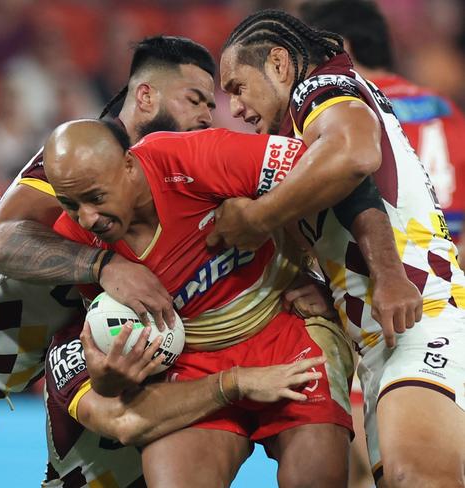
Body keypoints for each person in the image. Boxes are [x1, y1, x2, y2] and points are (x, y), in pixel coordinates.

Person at [0, 35, 284, 488]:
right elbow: (0, 242)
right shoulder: (80, 157)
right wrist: (105, 267)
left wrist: (287, 278)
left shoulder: (175, 185)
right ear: (146, 96)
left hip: (20, 374)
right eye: (195, 99)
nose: (205, 115)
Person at [213, 10, 465, 487]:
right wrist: (318, 286)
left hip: (421, 316)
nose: (235, 106)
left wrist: (257, 219)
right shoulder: (302, 135)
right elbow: (358, 194)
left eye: (238, 87)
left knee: (419, 478)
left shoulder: (321, 88)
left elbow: (356, 157)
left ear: (280, 64)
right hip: (382, 339)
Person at [46, 119, 355, 488]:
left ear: (129, 164)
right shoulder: (72, 241)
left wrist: (330, 278)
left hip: (285, 327)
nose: (87, 219)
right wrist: (108, 381)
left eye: (96, 198)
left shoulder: (192, 158)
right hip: (190, 365)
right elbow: (115, 402)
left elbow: (335, 166)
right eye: (70, 205)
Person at [299, 2, 465, 485]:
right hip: (445, 305)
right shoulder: (444, 110)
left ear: (336, 50)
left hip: (385, 319)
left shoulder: (340, 114)